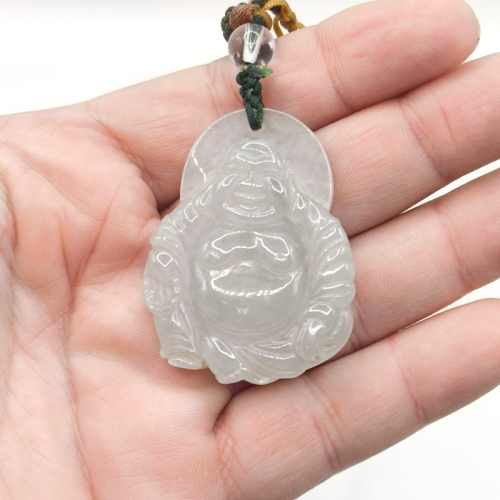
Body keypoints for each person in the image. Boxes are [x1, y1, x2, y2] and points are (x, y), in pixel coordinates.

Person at [0, 0, 498, 498]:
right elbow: (172, 254)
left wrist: (313, 315)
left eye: (274, 246)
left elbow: (326, 266)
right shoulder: (194, 236)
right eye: (228, 242)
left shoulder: (309, 242)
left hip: (286, 327)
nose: (249, 249)